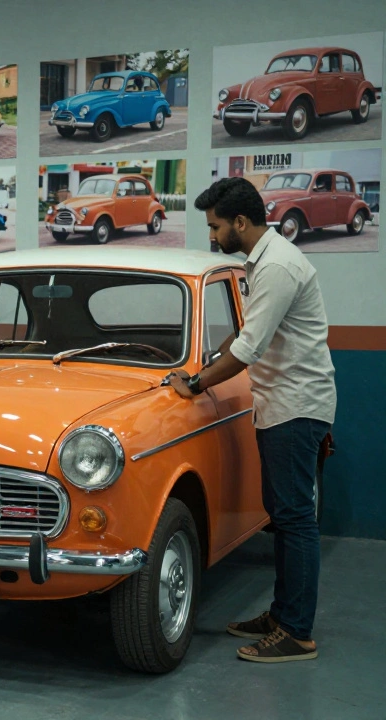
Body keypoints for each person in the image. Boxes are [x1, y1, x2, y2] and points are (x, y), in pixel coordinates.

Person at [169, 177, 336, 663]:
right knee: (284, 516)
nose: (213, 235)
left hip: (295, 406)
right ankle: (283, 615)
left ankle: (297, 632)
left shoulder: (279, 266)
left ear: (240, 222)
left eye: (215, 226)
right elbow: (244, 334)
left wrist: (197, 383)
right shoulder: (263, 262)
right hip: (283, 404)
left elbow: (248, 348)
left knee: (294, 519)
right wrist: (206, 358)